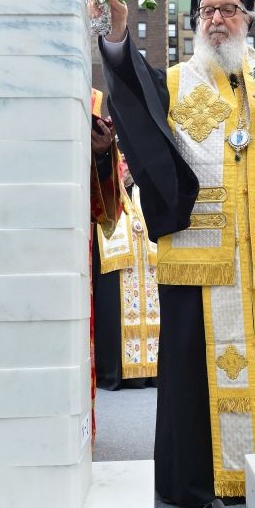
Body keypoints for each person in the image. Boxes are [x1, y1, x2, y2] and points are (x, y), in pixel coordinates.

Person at [94, 0, 255, 507]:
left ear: (248, 19)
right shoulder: (176, 82)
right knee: (193, 372)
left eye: (228, 10)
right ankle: (200, 483)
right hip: (201, 252)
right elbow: (135, 100)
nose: (217, 19)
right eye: (208, 10)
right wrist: (118, 33)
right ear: (195, 20)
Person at [0, 60, 121, 448]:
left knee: (60, 335)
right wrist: (38, 119)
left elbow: (105, 198)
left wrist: (102, 152)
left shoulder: (85, 87)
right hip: (6, 223)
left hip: (65, 235)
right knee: (6, 336)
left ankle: (64, 434)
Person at [93, 152, 159, 390]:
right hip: (120, 270)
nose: (126, 166)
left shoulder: (146, 192)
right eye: (122, 161)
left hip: (147, 271)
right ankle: (117, 373)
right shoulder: (105, 193)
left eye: (129, 161)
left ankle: (153, 372)